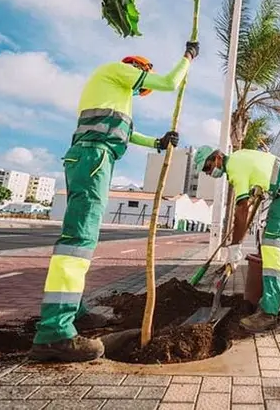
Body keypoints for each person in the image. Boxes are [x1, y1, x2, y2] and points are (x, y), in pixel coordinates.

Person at [29, 42, 198, 362]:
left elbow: (128, 134)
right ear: (139, 68)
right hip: (94, 156)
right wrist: (188, 58)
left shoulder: (114, 95)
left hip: (93, 156)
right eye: (142, 85)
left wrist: (157, 142)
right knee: (79, 240)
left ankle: (75, 311)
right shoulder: (120, 70)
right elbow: (169, 83)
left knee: (77, 237)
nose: (140, 92)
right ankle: (54, 332)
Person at [193, 145, 280, 332]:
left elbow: (242, 210)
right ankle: (271, 303)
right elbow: (258, 171)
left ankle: (269, 313)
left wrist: (235, 249)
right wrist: (256, 190)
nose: (209, 172)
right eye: (206, 171)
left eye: (208, 167)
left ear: (218, 157)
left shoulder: (235, 167)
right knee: (267, 245)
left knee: (272, 244)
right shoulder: (238, 159)